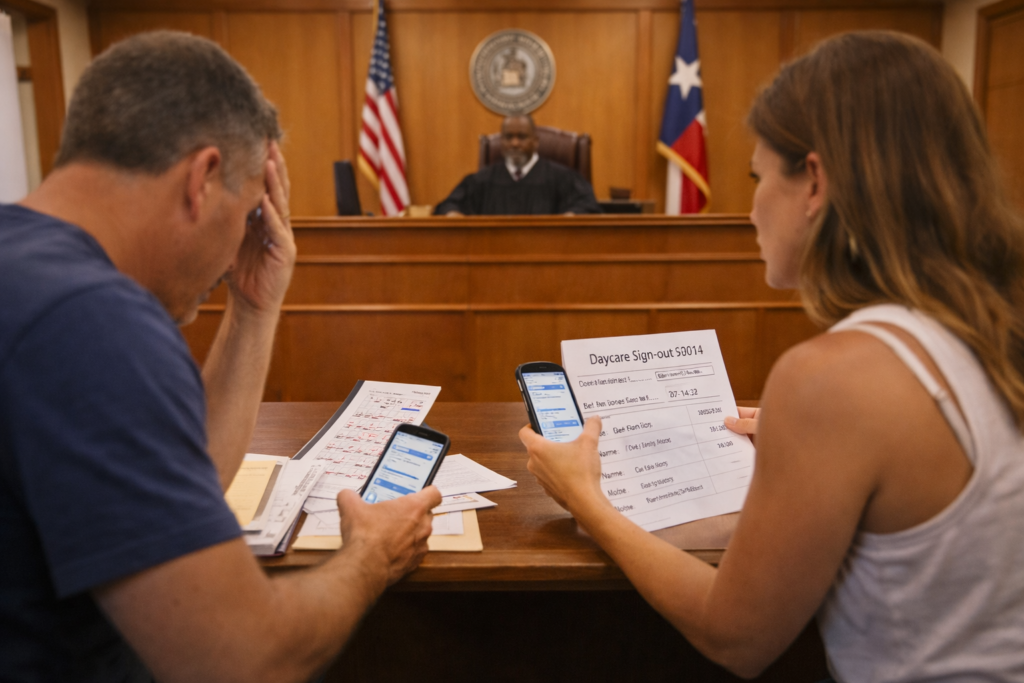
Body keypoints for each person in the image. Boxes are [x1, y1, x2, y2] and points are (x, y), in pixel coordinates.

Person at [519, 31, 1024, 681]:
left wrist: (584, 497)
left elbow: (734, 635)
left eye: (757, 176)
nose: (752, 206)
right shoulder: (990, 327)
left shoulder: (834, 377)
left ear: (813, 181)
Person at [0, 31, 440, 682]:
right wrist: (371, 553)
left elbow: (183, 479)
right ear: (203, 178)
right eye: (249, 213)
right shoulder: (94, 320)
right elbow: (248, 657)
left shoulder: (25, 265)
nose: (248, 237)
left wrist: (253, 309)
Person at [434, 114, 601, 216]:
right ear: (501, 141)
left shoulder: (563, 178)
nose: (514, 143)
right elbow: (449, 205)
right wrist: (453, 214)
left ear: (535, 141)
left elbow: (588, 206)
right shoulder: (480, 181)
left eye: (521, 137)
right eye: (508, 137)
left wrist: (571, 217)